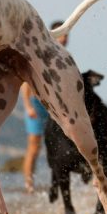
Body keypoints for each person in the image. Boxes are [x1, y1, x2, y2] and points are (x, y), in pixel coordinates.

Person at [22, 21, 68, 192]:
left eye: (67, 35)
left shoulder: (63, 56)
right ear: (53, 34)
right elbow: (27, 81)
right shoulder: (41, 54)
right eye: (62, 35)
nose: (64, 39)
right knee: (34, 146)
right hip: (35, 104)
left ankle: (57, 181)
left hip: (53, 107)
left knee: (57, 144)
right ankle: (29, 185)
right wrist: (27, 106)